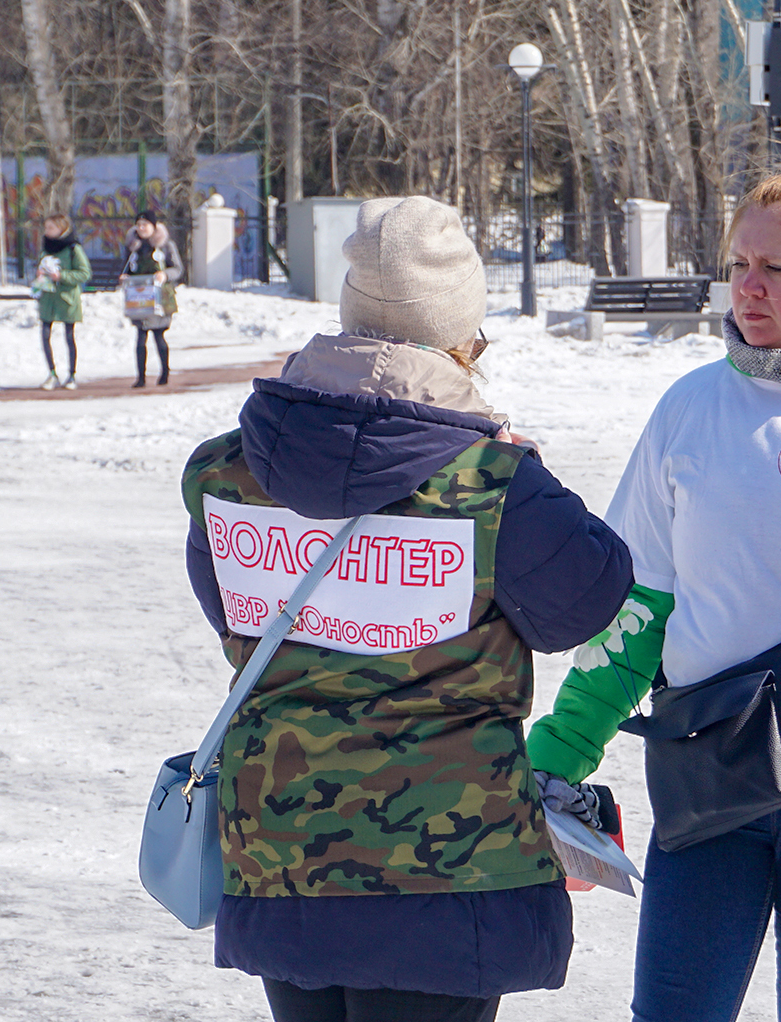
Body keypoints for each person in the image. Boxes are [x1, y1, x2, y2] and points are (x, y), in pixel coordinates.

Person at [181, 195, 633, 1022]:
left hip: (285, 856)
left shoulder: (225, 472)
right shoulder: (494, 484)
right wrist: (528, 472)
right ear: (461, 340)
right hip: (451, 870)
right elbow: (591, 600)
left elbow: (233, 616)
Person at [524, 172, 781, 1022]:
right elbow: (638, 607)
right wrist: (563, 751)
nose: (747, 287)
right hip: (710, 779)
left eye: (776, 269)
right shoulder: (691, 408)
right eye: (739, 263)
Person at [118, 210, 183, 387]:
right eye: (138, 225)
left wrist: (165, 275)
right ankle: (141, 377)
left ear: (154, 226)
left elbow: (178, 269)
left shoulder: (166, 245)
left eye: (145, 225)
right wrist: (125, 277)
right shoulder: (133, 246)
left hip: (161, 299)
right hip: (139, 298)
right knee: (140, 337)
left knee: (159, 335)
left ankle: (165, 373)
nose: (141, 228)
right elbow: (127, 268)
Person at [33, 214, 91, 389]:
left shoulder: (73, 248)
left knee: (68, 336)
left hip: (67, 299)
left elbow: (84, 273)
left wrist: (62, 276)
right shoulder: (46, 248)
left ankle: (72, 375)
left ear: (61, 228)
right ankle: (51, 373)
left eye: (51, 228)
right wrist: (39, 275)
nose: (47, 231)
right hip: (48, 298)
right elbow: (41, 265)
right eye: (46, 228)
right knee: (45, 335)